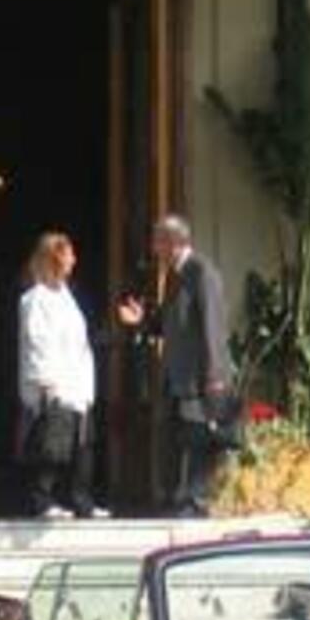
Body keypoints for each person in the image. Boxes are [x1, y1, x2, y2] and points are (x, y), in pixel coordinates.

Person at [115, 213, 231, 518]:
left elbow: (212, 325)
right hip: (175, 377)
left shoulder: (201, 272)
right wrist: (142, 322)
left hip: (198, 377)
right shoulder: (174, 276)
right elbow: (169, 324)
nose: (154, 249)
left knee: (199, 437)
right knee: (175, 437)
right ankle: (177, 498)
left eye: (157, 241)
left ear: (172, 242)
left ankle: (196, 500)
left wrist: (215, 375)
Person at [16, 230, 106, 521]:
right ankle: (42, 500)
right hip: (52, 383)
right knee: (52, 445)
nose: (74, 259)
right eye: (68, 254)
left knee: (82, 445)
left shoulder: (68, 297)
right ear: (55, 258)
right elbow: (37, 340)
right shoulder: (35, 299)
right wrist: (47, 381)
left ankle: (83, 500)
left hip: (77, 381)